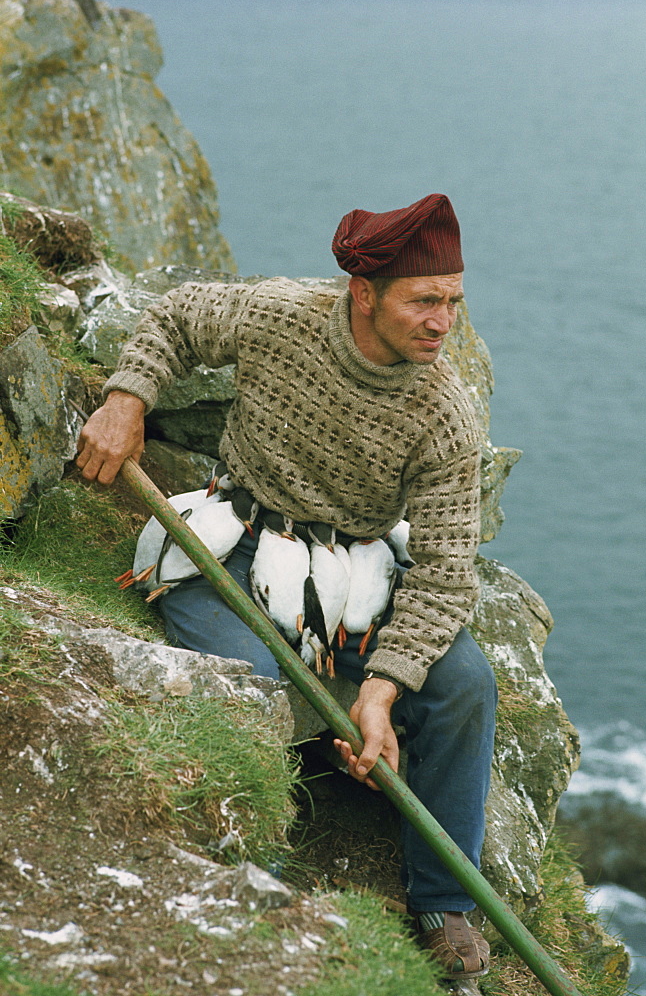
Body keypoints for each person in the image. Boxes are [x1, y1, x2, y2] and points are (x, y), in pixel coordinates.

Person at [76, 193, 497, 981]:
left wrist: (381, 689)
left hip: (357, 574)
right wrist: (125, 399)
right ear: (363, 294)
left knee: (466, 684)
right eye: (425, 300)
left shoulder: (444, 415)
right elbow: (175, 315)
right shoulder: (279, 316)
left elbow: (443, 576)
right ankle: (247, 873)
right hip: (234, 544)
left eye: (453, 301)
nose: (444, 322)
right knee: (249, 685)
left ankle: (443, 901)